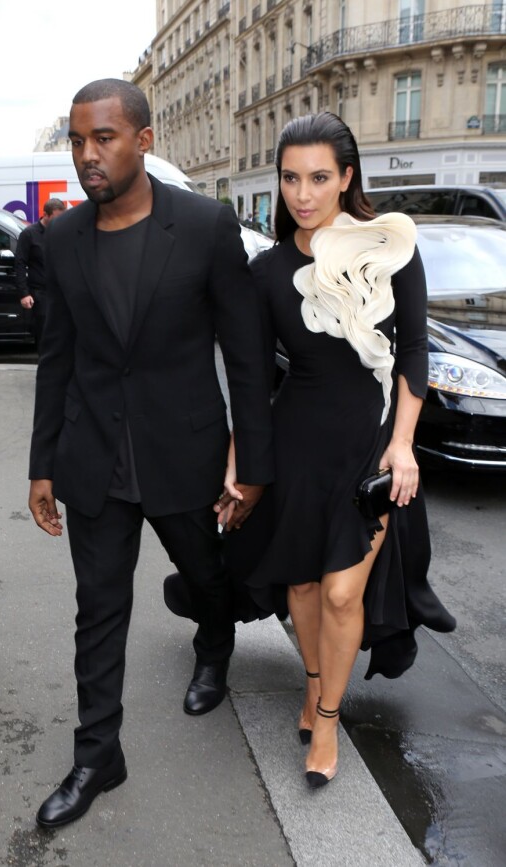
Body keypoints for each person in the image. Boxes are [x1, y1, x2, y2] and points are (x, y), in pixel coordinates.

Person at [27, 78, 273, 829]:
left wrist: (252, 464)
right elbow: (58, 357)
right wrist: (42, 463)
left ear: (143, 140)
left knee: (205, 574)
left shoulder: (203, 225)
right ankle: (99, 752)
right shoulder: (61, 239)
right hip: (95, 459)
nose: (86, 155)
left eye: (102, 138)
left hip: (184, 451)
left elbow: (247, 353)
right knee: (97, 611)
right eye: (76, 140)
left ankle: (215, 641)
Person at [215, 113, 456, 790]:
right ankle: (315, 685)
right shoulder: (267, 271)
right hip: (297, 440)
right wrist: (241, 459)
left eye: (319, 177)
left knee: (344, 589)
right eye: (291, 177)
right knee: (301, 582)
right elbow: (256, 379)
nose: (303, 192)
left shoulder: (390, 248)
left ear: (347, 177)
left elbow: (413, 347)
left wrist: (403, 444)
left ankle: (325, 719)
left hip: (370, 440)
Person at [14, 197, 66, 349]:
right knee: (44, 335)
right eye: (56, 218)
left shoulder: (60, 232)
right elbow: (20, 263)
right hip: (40, 293)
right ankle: (46, 368)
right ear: (45, 214)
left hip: (60, 293)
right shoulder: (29, 234)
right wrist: (24, 293)